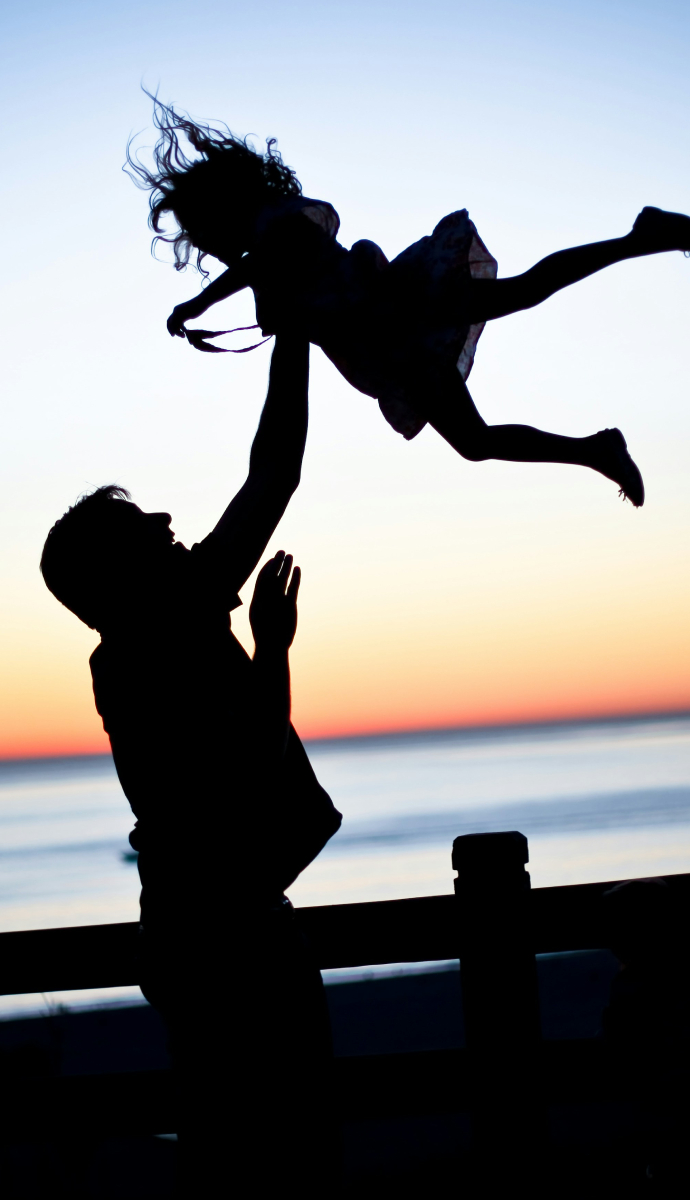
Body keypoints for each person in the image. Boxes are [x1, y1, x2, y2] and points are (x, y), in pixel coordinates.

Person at [40, 334, 341, 1196]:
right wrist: (293, 323)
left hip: (185, 928)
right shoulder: (170, 619)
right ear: (122, 570)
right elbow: (274, 470)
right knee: (289, 1150)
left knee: (228, 1142)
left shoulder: (121, 656)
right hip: (233, 932)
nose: (170, 524)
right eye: (145, 525)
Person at [126, 95, 690, 509]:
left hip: (400, 315)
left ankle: (640, 238)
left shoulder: (274, 230)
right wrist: (213, 309)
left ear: (218, 211)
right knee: (478, 439)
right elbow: (271, 286)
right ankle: (595, 448)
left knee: (521, 305)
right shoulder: (267, 242)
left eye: (200, 230)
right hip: (392, 344)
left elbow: (267, 271)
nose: (203, 244)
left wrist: (199, 305)